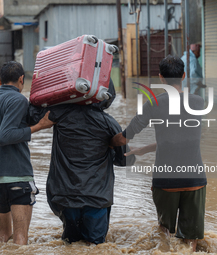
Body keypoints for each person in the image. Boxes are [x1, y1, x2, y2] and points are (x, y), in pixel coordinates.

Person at [111, 55, 207, 252]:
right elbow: (187, 138)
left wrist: (106, 141)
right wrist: (144, 149)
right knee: (191, 238)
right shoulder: (198, 102)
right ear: (184, 75)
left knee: (164, 233)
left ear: (161, 78)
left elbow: (124, 138)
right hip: (194, 180)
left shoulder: (152, 104)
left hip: (166, 180)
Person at [28, 80, 135, 245]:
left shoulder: (60, 115)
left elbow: (32, 114)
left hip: (64, 197)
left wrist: (55, 95)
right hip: (96, 199)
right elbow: (126, 159)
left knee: (70, 244)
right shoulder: (108, 123)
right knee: (94, 246)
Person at [0, 61, 55, 245]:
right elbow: (5, 136)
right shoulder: (18, 100)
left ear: (0, 81)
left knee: (3, 236)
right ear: (21, 79)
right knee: (20, 239)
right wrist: (40, 126)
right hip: (17, 178)